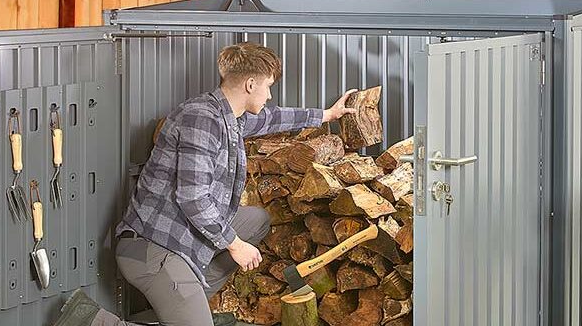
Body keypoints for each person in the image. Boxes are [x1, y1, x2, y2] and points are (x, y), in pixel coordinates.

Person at [53, 42, 357, 326]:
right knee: (233, 247)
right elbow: (193, 199)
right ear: (251, 84)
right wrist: (235, 246)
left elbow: (273, 118)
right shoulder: (201, 119)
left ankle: (186, 303)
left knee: (256, 220)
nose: (269, 96)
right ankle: (90, 320)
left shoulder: (231, 117)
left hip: (183, 239)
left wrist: (327, 115)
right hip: (152, 249)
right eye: (268, 87)